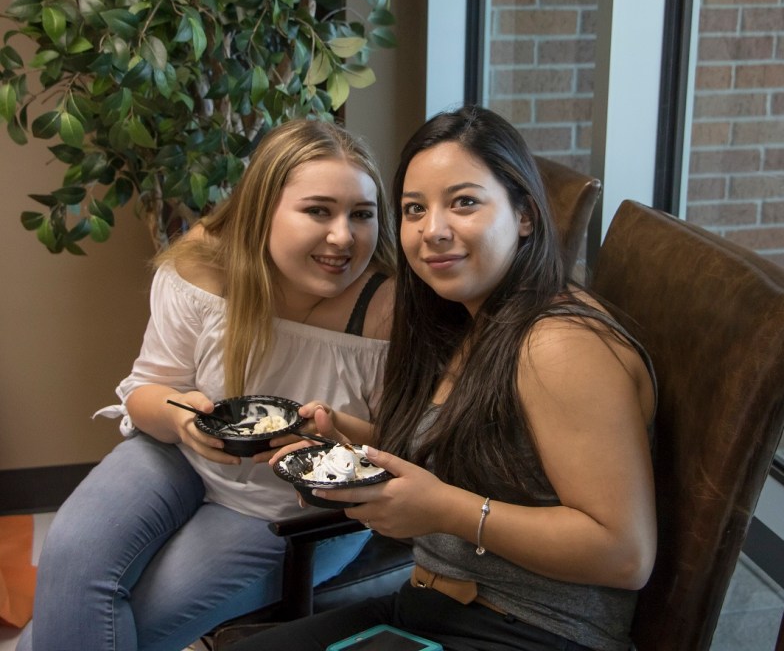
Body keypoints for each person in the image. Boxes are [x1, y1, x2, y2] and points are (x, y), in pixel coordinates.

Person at [232, 106, 657, 651]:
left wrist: (445, 510)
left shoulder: (560, 346)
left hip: (527, 632)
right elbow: (485, 458)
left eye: (464, 202)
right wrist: (347, 436)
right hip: (433, 607)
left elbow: (625, 555)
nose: (433, 230)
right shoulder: (465, 317)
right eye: (414, 209)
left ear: (524, 214)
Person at [18, 118, 397, 651]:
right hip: (176, 456)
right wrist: (179, 417)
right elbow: (149, 389)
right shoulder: (204, 269)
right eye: (318, 210)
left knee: (67, 631)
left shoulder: (387, 310)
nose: (342, 236)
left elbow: (407, 455)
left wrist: (338, 434)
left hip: (288, 506)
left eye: (362, 214)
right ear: (263, 210)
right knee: (72, 554)